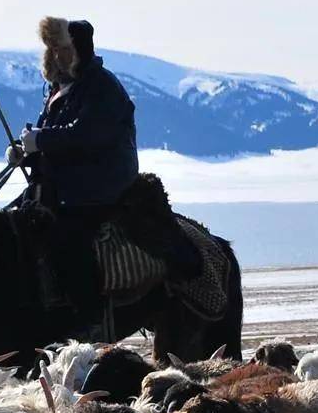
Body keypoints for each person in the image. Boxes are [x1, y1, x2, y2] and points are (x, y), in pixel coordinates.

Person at [11, 17, 198, 313]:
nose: (56, 56)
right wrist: (26, 152)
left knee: (69, 238)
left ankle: (87, 314)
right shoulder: (60, 90)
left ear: (78, 50)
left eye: (61, 49)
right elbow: (55, 139)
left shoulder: (102, 87)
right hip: (61, 184)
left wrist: (40, 141)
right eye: (52, 50)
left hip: (98, 184)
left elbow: (87, 134)